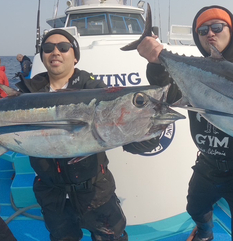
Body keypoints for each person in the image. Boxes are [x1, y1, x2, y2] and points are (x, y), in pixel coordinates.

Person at [136, 6, 233, 241]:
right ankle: (205, 232)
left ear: (231, 30)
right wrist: (155, 62)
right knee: (194, 207)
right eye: (203, 30)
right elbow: (169, 94)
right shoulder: (194, 69)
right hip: (208, 165)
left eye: (217, 27)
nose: (210, 34)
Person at [15, 29, 156, 241]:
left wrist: (146, 133)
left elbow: (121, 131)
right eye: (47, 48)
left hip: (95, 190)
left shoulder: (95, 90)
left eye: (63, 47)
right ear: (42, 56)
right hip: (51, 193)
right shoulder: (26, 94)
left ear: (75, 56)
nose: (55, 52)